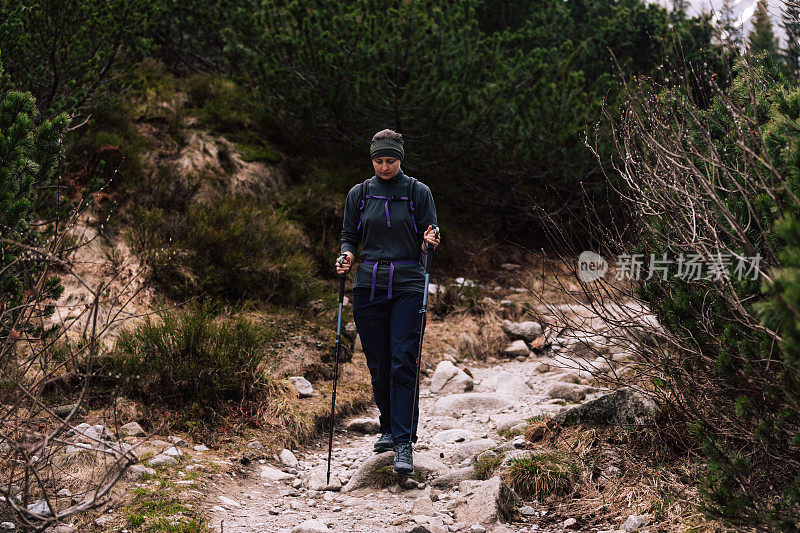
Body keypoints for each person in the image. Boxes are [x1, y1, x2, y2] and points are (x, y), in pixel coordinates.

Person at [336, 128, 440, 474]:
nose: (384, 166)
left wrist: (429, 241)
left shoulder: (417, 192)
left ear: (400, 159)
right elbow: (350, 236)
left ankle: (404, 442)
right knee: (379, 363)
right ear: (372, 160)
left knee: (402, 361)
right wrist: (347, 255)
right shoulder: (360, 194)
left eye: (390, 160)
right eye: (379, 161)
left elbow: (430, 234)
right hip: (368, 284)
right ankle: (388, 426)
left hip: (409, 284)